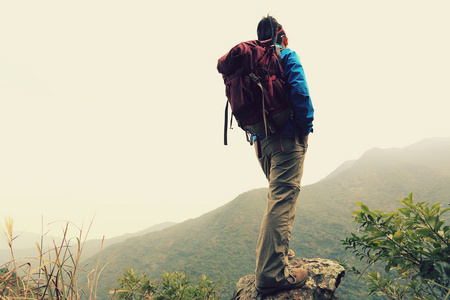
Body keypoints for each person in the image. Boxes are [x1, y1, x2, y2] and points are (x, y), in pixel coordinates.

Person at [253, 14, 314, 295]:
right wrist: (305, 127)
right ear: (281, 34)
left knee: (277, 199)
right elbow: (300, 92)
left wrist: (256, 139)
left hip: (262, 144)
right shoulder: (285, 56)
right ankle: (271, 275)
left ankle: (279, 255)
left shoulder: (253, 62)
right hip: (286, 140)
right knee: (282, 201)